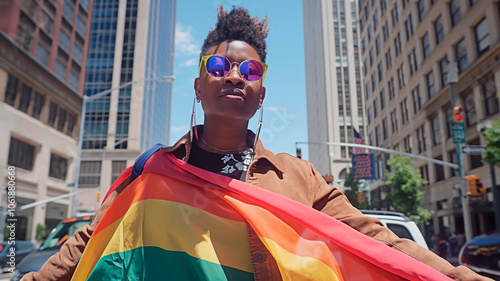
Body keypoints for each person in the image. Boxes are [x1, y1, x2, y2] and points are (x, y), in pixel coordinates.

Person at [23, 6, 492, 281]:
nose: (234, 77)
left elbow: (371, 237)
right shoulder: (156, 171)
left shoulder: (299, 176)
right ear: (199, 85)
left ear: (261, 92)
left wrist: (457, 275)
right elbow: (88, 240)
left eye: (250, 72)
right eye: (219, 68)